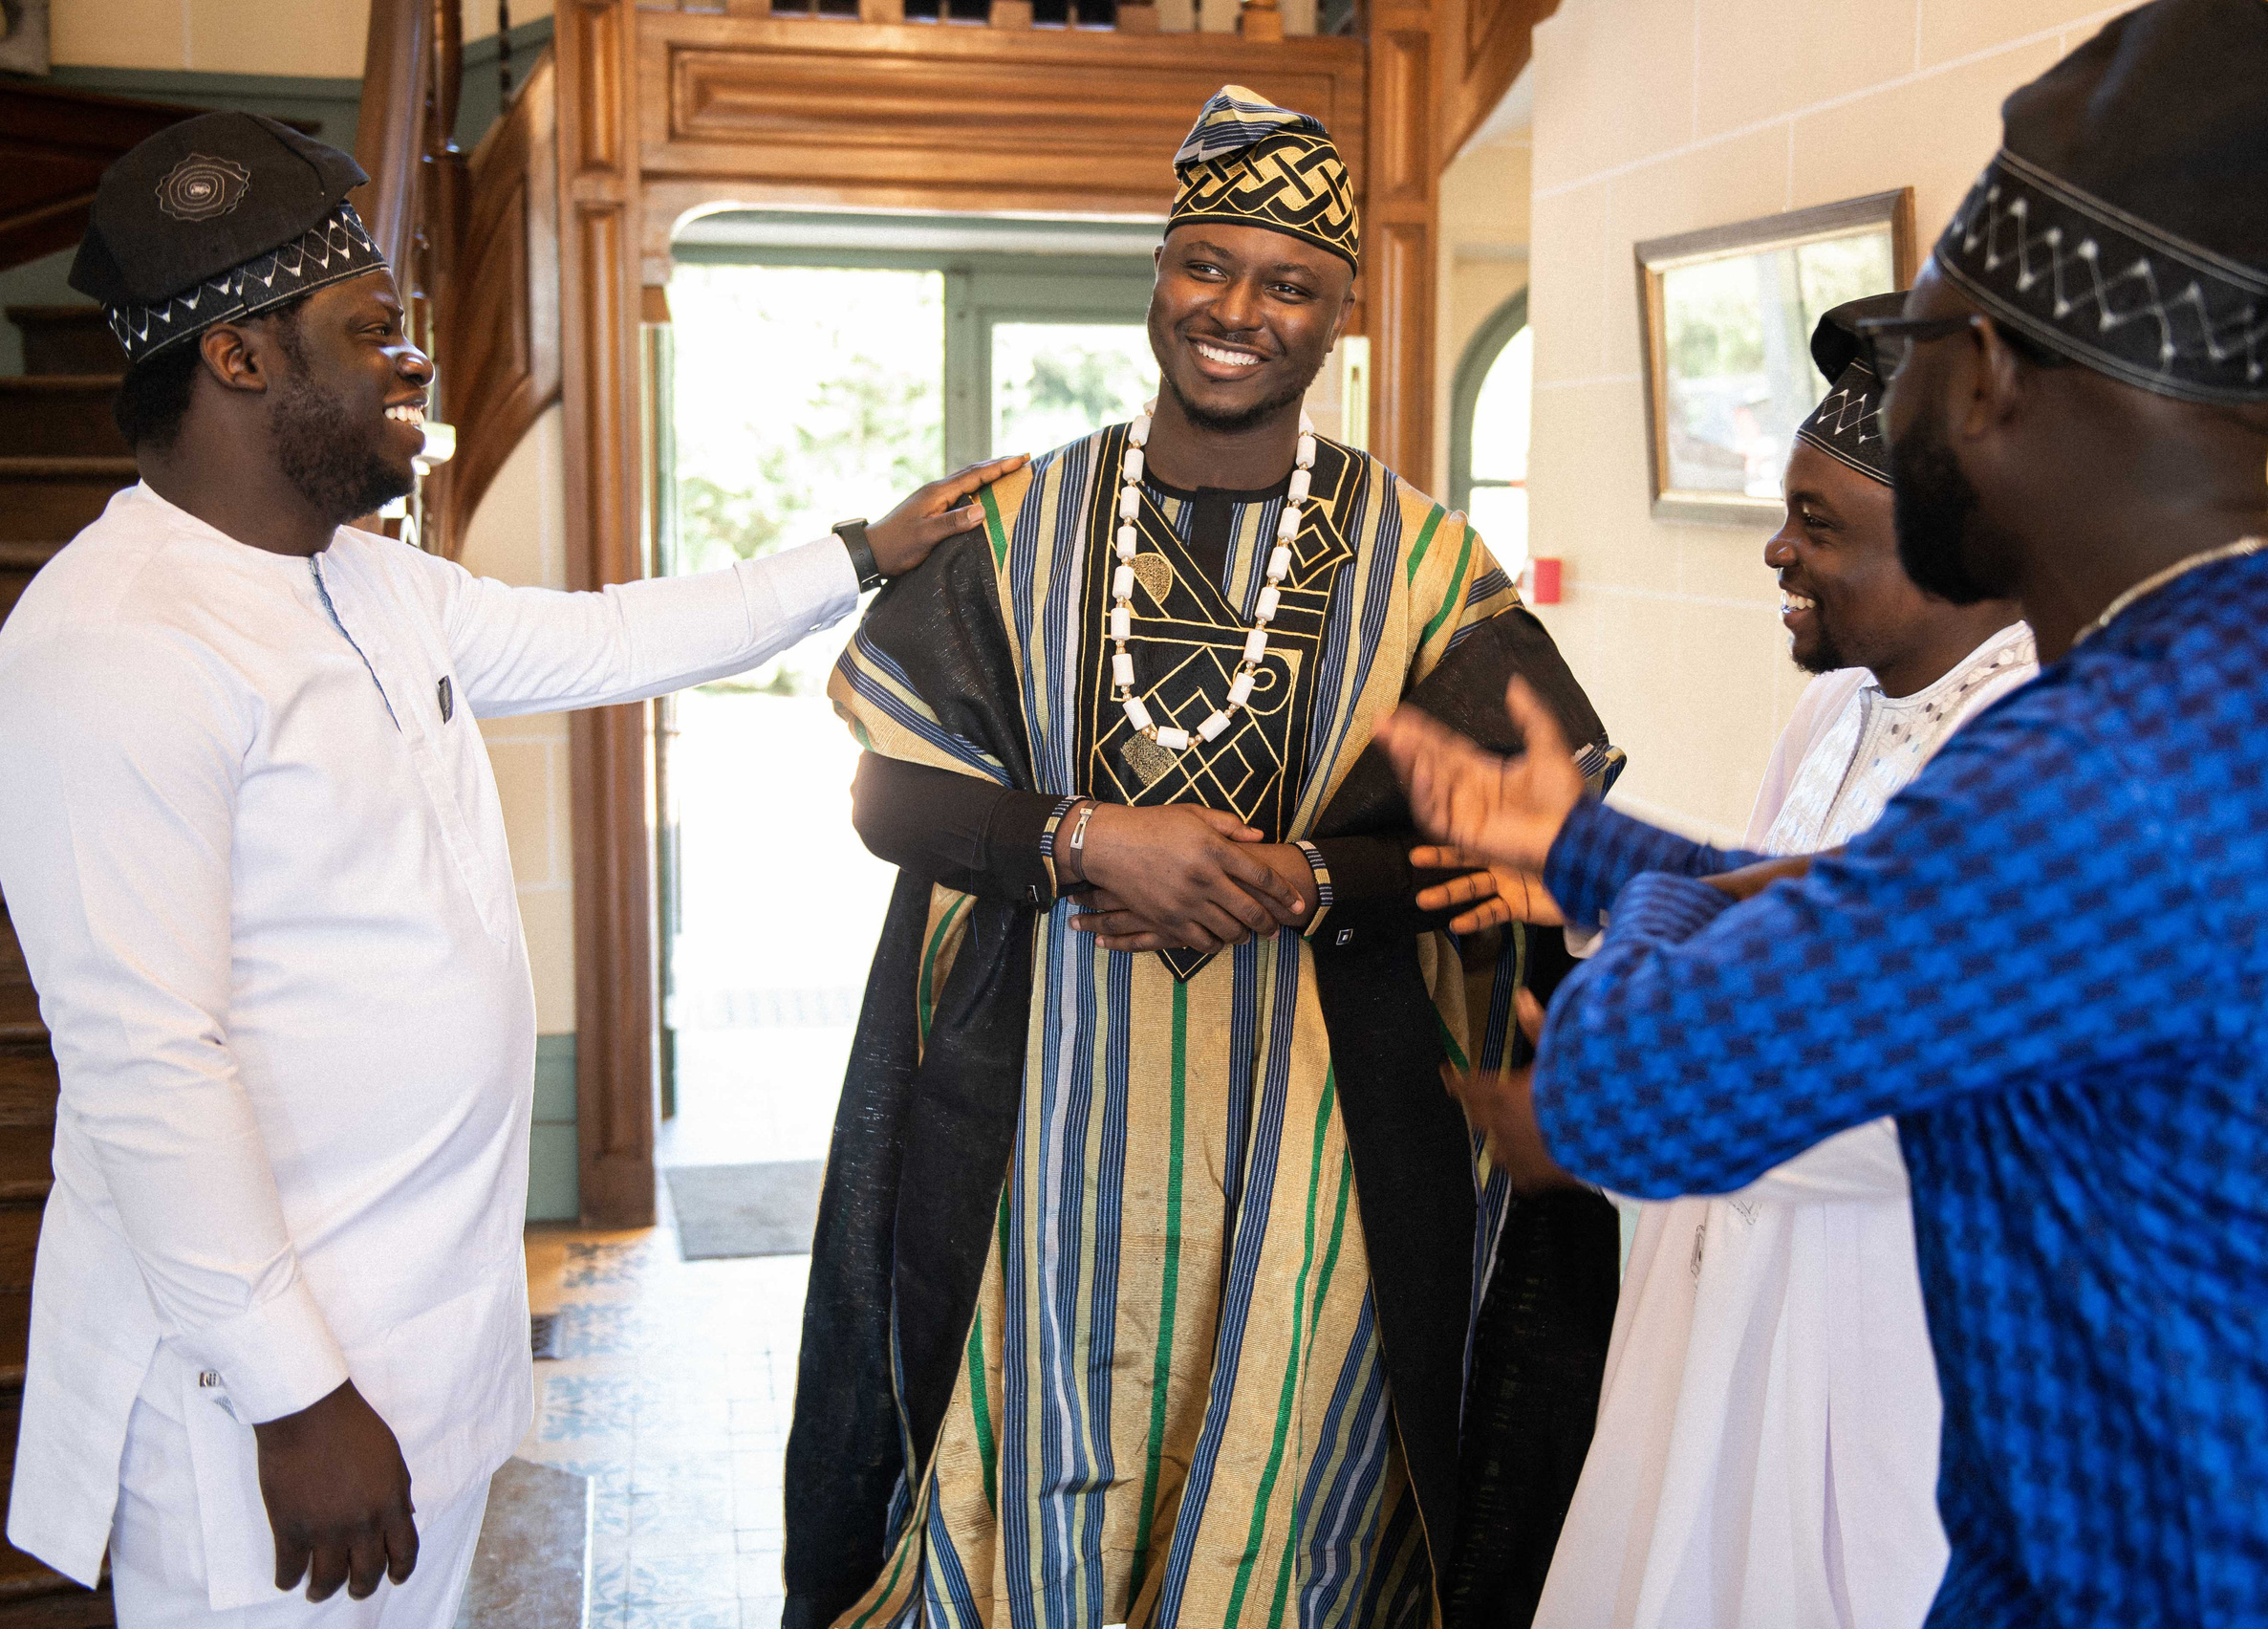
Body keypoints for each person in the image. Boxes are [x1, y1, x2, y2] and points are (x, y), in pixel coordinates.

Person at [1378, 3, 2268, 1623]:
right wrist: (1589, 846)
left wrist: (1639, 928)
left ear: (1993, 376)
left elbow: (1624, 1080)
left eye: (1927, 341)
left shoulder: (2086, 768)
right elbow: (1877, 907)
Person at [0, 112, 1018, 1628]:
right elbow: (147, 1065)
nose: (412, 361)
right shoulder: (115, 642)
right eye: (372, 331)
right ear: (238, 357)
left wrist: (860, 558)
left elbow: (607, 638)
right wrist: (296, 1398)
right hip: (259, 1407)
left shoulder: (369, 579)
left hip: (423, 1336)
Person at [783, 86, 1617, 1629]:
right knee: (1020, 1491)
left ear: (1342, 315)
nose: (1238, 312)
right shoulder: (1013, 524)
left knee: (1288, 1520)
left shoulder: (1428, 560)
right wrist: (1084, 837)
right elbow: (887, 797)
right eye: (1207, 266)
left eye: (1289, 283)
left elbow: (1519, 841)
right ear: (1157, 275)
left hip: (1316, 1161)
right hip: (1034, 1142)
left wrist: (1314, 883)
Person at [1424, 294, 2034, 1629]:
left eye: (1821, 524)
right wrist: (1585, 872)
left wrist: (1629, 1057)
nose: (1778, 549)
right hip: (1723, 1284)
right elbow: (1759, 907)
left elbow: (1887, 1061)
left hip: (1879, 1324)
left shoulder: (2021, 746)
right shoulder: (1836, 708)